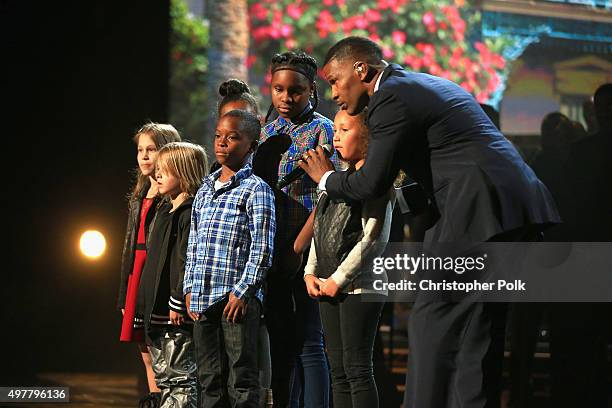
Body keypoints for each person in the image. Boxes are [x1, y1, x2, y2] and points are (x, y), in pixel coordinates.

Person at [299, 36, 560, 408]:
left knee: (431, 319)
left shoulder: (389, 97)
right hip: (513, 209)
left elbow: (371, 181)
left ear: (362, 70)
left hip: (477, 209)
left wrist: (325, 178)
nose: (334, 94)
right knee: (478, 331)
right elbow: (432, 174)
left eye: (335, 81)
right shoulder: (420, 85)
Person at [259, 50, 339, 407]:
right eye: (279, 89)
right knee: (280, 339)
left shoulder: (322, 128)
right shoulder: (266, 131)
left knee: (309, 339)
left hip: (306, 248)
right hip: (271, 249)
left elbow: (328, 195)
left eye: (295, 91)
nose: (286, 98)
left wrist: (298, 247)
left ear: (312, 91)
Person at [302, 109, 394, 408]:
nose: (336, 137)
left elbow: (372, 239)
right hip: (328, 284)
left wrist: (339, 279)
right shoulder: (336, 181)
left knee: (357, 369)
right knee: (338, 371)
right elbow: (321, 227)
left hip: (359, 286)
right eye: (335, 130)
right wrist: (310, 272)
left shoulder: (376, 184)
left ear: (368, 138)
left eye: (344, 130)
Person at [184, 109, 275, 407]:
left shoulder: (256, 190)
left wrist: (243, 292)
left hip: (235, 299)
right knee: (209, 378)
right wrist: (189, 288)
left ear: (251, 146)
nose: (222, 143)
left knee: (242, 378)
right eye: (218, 136)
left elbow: (262, 248)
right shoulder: (205, 189)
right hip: (203, 297)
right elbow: (194, 242)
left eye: (233, 137)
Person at [136, 141, 207, 408]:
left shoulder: (189, 214)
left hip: (174, 313)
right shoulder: (165, 211)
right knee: (163, 376)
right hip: (156, 312)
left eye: (165, 170)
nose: (157, 175)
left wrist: (178, 299)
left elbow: (185, 261)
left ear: (185, 173)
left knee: (179, 377)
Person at [216, 78, 274, 406]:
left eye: (240, 125)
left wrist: (244, 289)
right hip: (217, 295)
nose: (227, 138)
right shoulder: (212, 181)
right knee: (219, 373)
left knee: (250, 370)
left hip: (250, 288)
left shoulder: (259, 182)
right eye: (222, 130)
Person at [117, 122, 181, 407]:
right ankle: (154, 399)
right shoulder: (139, 195)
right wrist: (123, 293)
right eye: (140, 150)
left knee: (161, 346)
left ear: (167, 153)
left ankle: (169, 399)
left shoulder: (172, 197)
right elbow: (128, 249)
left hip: (156, 274)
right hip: (137, 274)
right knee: (144, 350)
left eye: (151, 150)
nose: (144, 156)